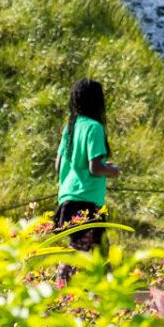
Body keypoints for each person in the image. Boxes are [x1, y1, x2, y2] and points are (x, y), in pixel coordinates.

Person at [53, 78, 120, 254]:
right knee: (79, 253)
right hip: (87, 200)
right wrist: (113, 170)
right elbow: (95, 168)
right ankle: (63, 274)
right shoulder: (94, 127)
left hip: (68, 198)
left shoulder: (71, 127)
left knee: (101, 252)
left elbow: (58, 166)